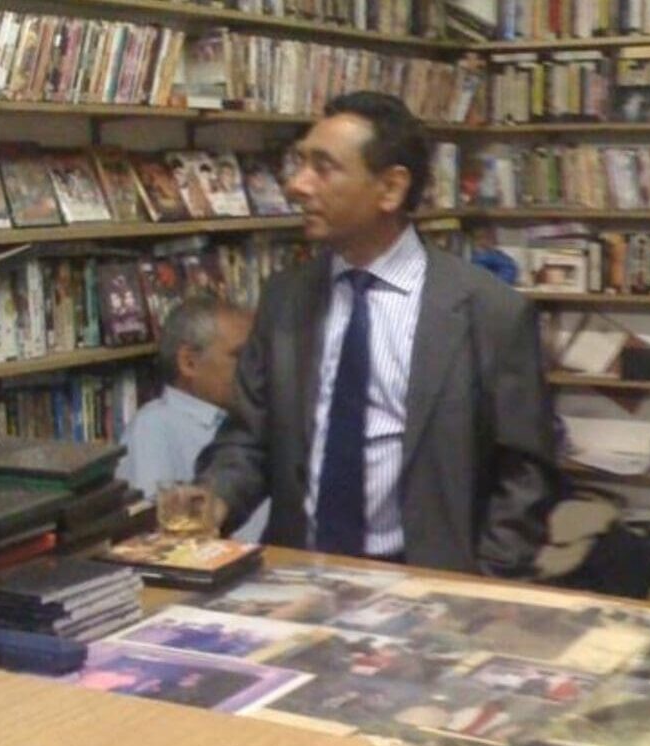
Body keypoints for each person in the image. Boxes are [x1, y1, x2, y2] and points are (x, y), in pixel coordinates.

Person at [194, 90, 558, 577]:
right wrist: (214, 502)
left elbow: (525, 475)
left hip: (429, 586)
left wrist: (483, 584)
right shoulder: (285, 299)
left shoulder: (488, 312)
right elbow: (248, 439)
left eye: (322, 167)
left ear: (391, 188)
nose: (297, 185)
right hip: (298, 576)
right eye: (298, 163)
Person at [116, 297, 268, 541]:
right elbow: (152, 533)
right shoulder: (154, 426)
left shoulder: (256, 421)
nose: (256, 368)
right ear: (189, 362)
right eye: (241, 356)